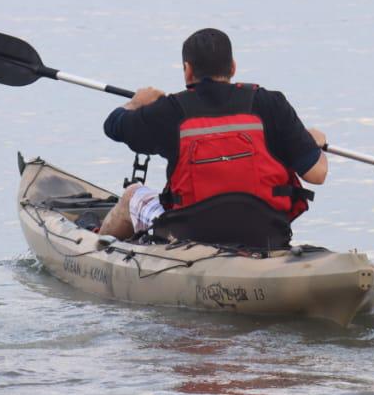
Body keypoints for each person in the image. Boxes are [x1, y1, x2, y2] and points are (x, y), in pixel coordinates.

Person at [99, 28, 327, 241]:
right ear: (233, 67)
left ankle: (95, 250)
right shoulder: (271, 103)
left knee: (132, 195)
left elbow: (113, 126)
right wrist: (315, 143)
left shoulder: (170, 111)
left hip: (189, 233)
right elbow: (317, 174)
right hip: (266, 231)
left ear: (187, 70)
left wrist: (136, 103)